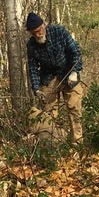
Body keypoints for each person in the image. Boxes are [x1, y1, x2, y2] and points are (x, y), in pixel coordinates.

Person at [25, 12, 84, 145]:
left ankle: (78, 143)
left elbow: (76, 52)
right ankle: (55, 143)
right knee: (49, 113)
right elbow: (32, 67)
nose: (37, 35)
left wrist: (74, 72)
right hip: (48, 78)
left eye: (38, 30)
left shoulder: (59, 32)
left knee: (74, 108)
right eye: (33, 33)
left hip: (68, 73)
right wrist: (36, 88)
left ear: (44, 25)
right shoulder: (31, 45)